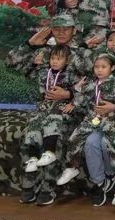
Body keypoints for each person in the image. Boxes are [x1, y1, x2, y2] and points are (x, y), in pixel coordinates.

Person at [56, 53, 115, 207]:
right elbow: (82, 98)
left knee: (113, 143)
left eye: (103, 67)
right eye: (96, 67)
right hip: (92, 119)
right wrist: (75, 97)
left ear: (112, 68)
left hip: (109, 119)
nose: (99, 70)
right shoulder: (91, 83)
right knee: (74, 138)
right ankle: (73, 166)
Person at [18, 44, 79, 206]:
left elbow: (86, 91)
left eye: (59, 58)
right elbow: (24, 71)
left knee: (54, 138)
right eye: (52, 58)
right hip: (43, 111)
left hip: (62, 113)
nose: (55, 61)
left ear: (68, 60)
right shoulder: (43, 71)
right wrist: (33, 62)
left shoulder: (72, 74)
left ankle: (47, 189)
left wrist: (70, 96)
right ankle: (29, 186)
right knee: (30, 133)